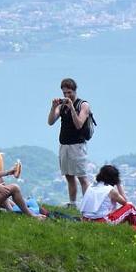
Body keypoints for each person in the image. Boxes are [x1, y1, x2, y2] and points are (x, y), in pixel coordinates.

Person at [80, 164, 136, 236]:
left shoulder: (91, 186)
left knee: (127, 209)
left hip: (86, 219)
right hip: (101, 222)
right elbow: (125, 202)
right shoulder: (110, 190)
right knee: (130, 207)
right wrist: (119, 184)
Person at [46, 78, 90, 208]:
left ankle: (88, 205)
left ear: (75, 91)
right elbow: (50, 121)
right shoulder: (62, 106)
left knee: (82, 177)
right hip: (64, 145)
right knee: (69, 176)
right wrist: (53, 107)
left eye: (69, 92)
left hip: (77, 146)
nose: (67, 95)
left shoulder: (83, 105)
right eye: (64, 93)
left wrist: (71, 108)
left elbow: (79, 124)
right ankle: (72, 203)